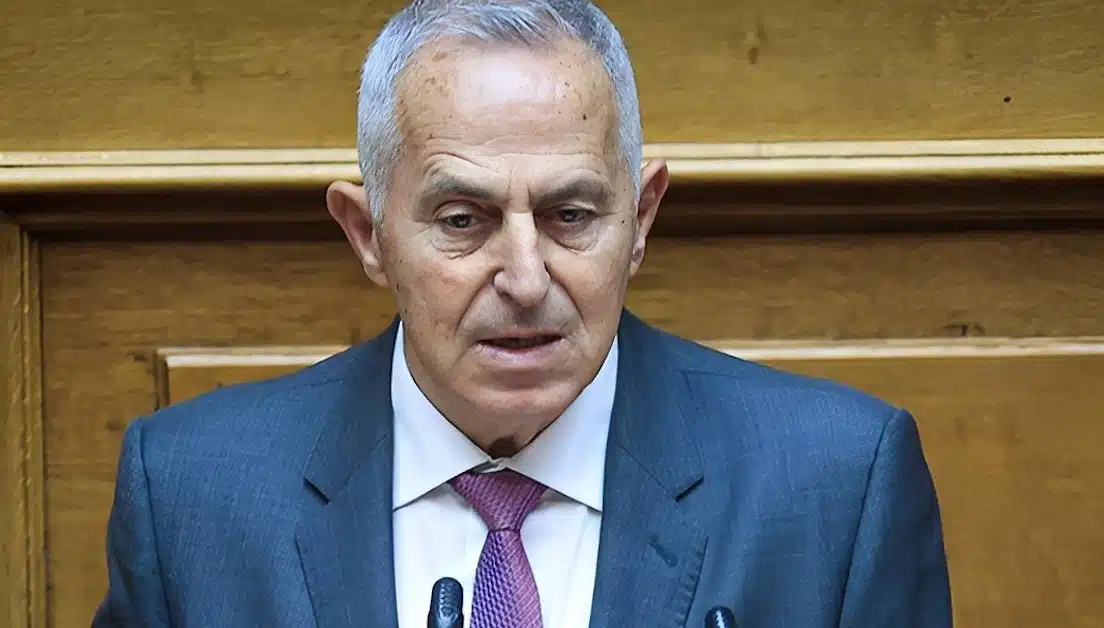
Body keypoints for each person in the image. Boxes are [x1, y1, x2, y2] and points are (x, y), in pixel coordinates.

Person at [92, 0, 952, 626]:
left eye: (570, 215)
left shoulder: (836, 487)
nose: (526, 277)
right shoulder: (193, 495)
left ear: (640, 220)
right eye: (462, 221)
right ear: (368, 234)